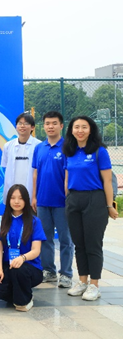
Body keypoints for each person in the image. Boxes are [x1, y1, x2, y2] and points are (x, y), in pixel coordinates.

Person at [63, 115, 118, 301]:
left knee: (93, 244)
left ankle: (94, 284)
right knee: (79, 244)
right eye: (76, 127)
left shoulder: (99, 151)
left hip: (94, 199)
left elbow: (107, 181)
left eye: (84, 127)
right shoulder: (69, 151)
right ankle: (82, 281)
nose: (80, 130)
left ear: (90, 130)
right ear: (71, 130)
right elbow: (67, 178)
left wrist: (109, 205)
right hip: (74, 199)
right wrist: (68, 198)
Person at [32, 111, 74, 288]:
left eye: (54, 123)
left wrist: (68, 198)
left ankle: (66, 274)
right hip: (42, 201)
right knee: (45, 238)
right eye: (47, 123)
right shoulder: (39, 148)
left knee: (66, 239)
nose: (50, 126)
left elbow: (69, 174)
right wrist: (34, 196)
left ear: (61, 126)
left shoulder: (68, 147)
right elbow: (35, 174)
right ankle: (48, 271)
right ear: (44, 126)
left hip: (62, 202)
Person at [0, 185, 46, 311]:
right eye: (13, 198)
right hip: (8, 266)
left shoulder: (35, 221)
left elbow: (36, 250)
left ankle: (24, 301)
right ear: (8, 200)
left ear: (26, 200)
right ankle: (21, 293)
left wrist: (22, 258)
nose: (16, 201)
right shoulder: (2, 221)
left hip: (29, 267)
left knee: (18, 270)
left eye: (20, 198)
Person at [1, 113, 41, 197]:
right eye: (20, 123)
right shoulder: (8, 146)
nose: (22, 126)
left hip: (32, 191)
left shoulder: (39, 146)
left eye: (26, 123)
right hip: (12, 190)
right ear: (16, 126)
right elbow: (5, 165)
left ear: (32, 127)